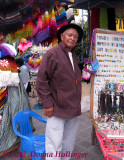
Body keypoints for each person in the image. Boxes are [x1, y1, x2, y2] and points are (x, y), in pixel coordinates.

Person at [36, 23, 83, 160]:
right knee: (54, 142)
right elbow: (41, 81)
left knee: (69, 141)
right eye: (70, 35)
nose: (72, 38)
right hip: (56, 107)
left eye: (75, 36)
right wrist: (47, 104)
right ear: (62, 37)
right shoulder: (53, 54)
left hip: (72, 107)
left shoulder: (73, 55)